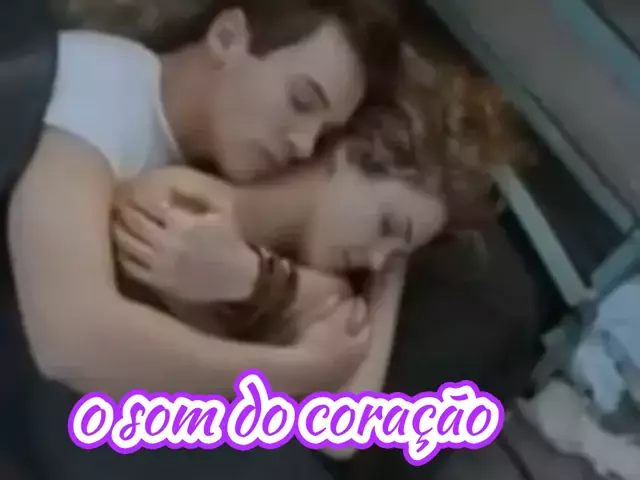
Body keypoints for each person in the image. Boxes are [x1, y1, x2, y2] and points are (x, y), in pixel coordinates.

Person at [7, 0, 399, 400]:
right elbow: (70, 339)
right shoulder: (101, 89)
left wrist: (388, 275)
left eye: (324, 133)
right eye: (301, 100)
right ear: (227, 37)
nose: (304, 144)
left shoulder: (176, 162)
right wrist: (290, 373)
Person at [111, 101, 446, 396]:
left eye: (394, 255)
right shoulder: (177, 200)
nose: (375, 260)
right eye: (387, 226)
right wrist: (262, 288)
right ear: (351, 154)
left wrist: (389, 279)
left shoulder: (330, 297)